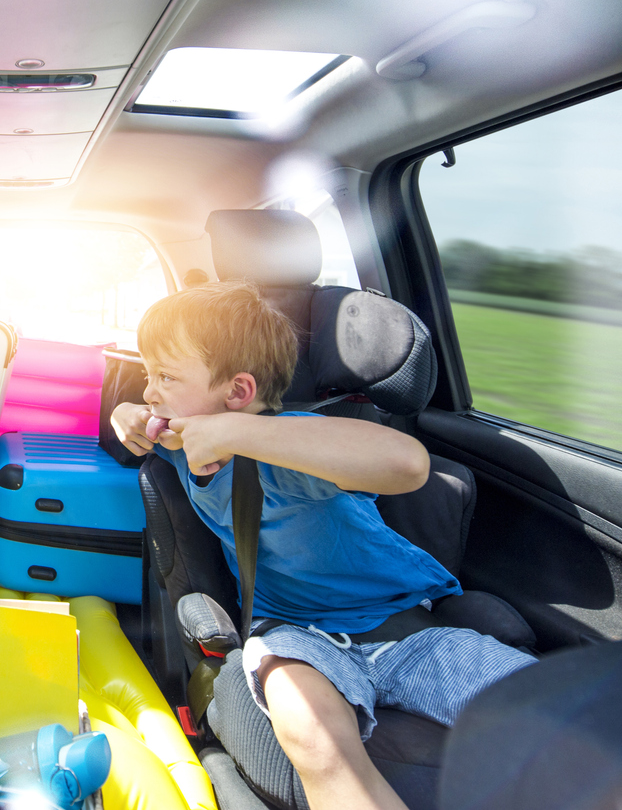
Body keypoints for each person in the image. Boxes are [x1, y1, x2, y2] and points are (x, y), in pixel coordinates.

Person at [110, 282, 535, 810]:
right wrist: (125, 412)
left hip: (408, 629)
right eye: (149, 375)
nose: (151, 391)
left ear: (238, 395)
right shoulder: (180, 447)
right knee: (315, 738)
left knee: (558, 717)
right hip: (294, 638)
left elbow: (407, 464)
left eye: (165, 377)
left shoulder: (293, 447)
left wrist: (235, 435)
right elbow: (128, 418)